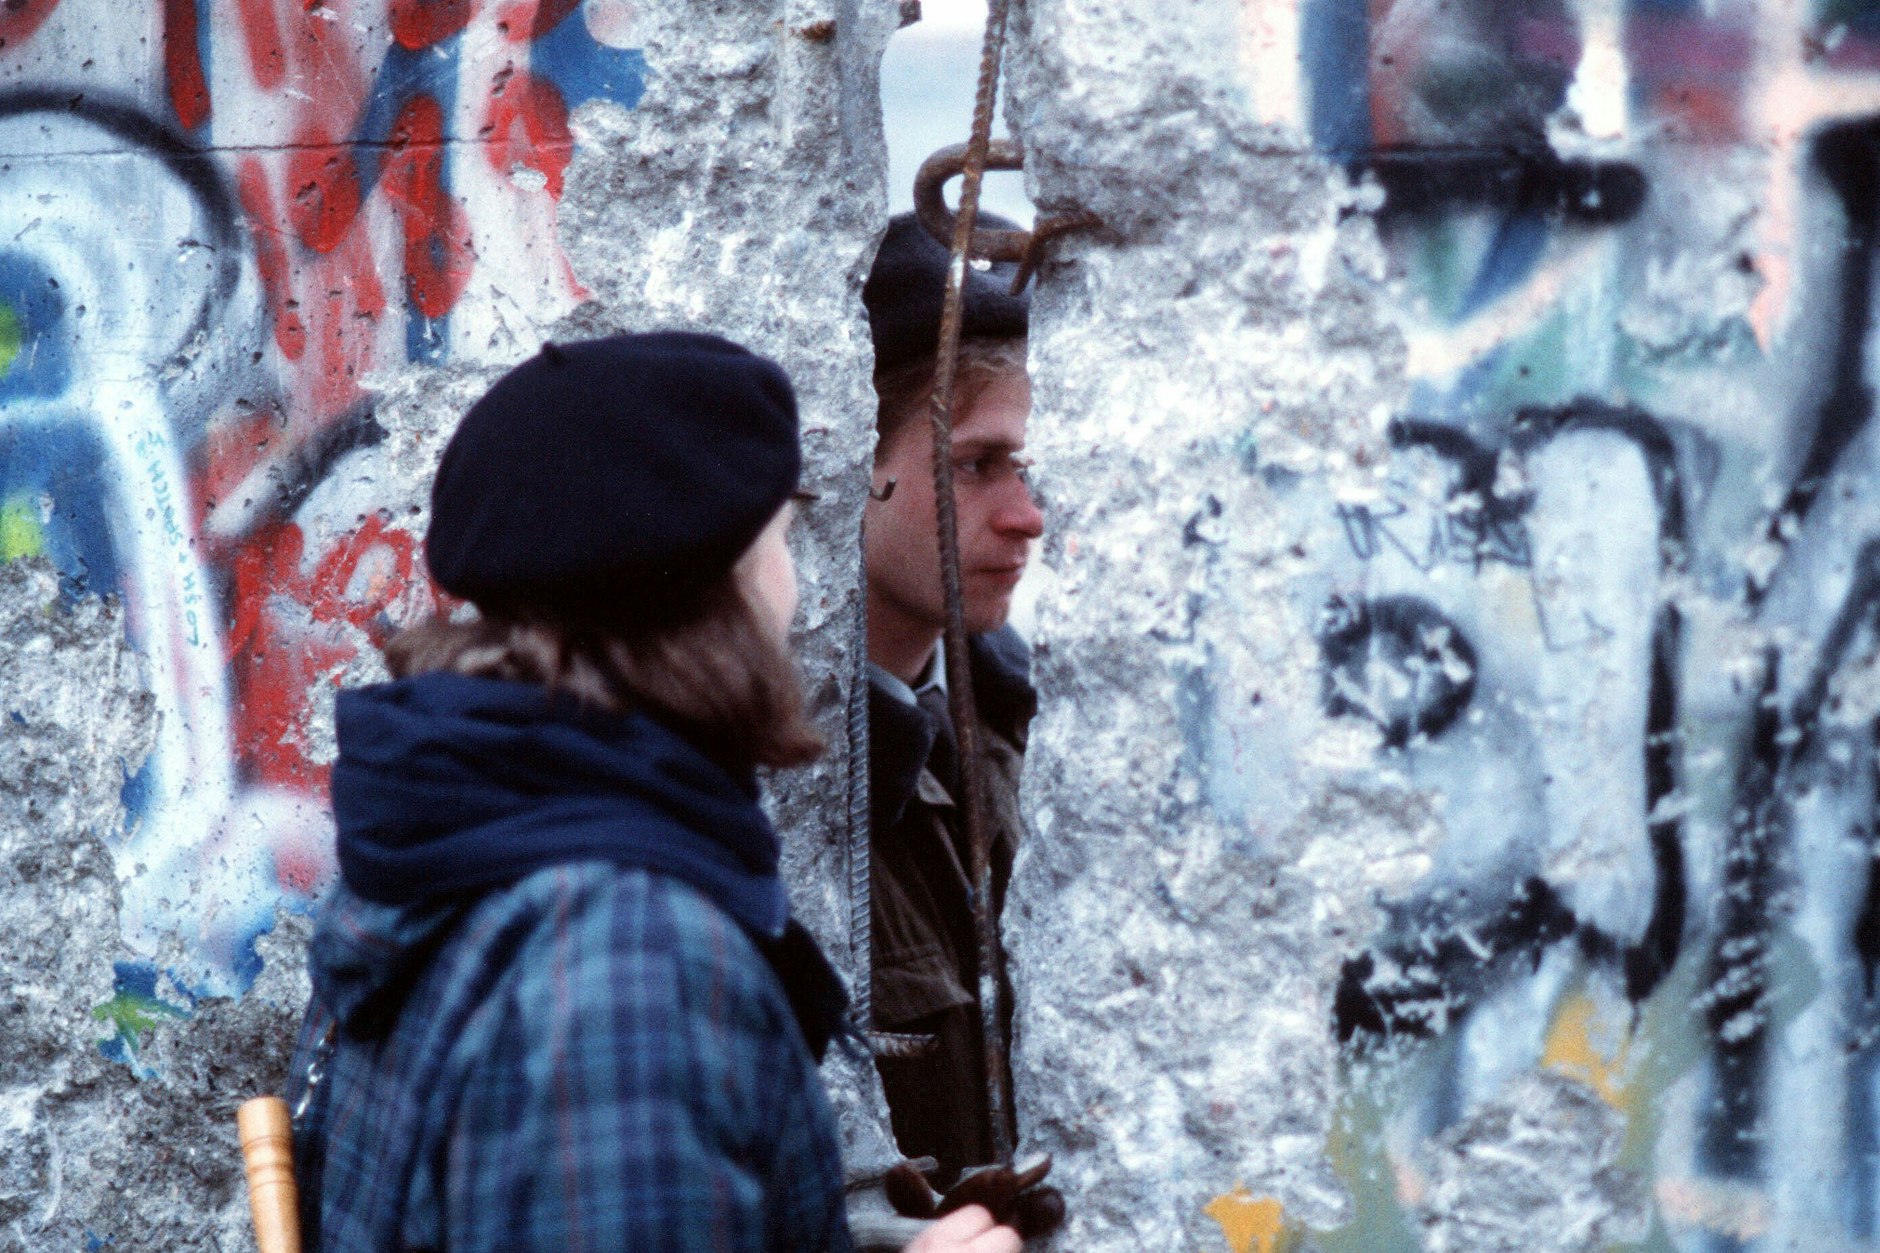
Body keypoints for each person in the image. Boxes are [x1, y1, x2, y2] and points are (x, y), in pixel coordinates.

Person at [282, 332, 1023, 1253]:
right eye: (782, 542)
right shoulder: (627, 958)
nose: (796, 588)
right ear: (719, 581)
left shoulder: (461, 838)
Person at [859, 214, 1046, 1184]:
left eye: (1027, 466)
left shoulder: (1024, 732)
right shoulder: (781, 788)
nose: (1027, 516)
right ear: (849, 466)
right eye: (974, 466)